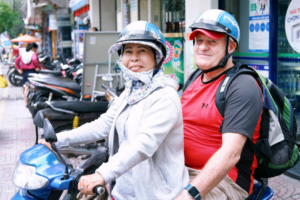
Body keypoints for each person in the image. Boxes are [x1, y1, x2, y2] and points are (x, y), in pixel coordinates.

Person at [40, 21, 189, 200]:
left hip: (156, 195)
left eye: (142, 50)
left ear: (157, 57)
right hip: (121, 192)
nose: (134, 57)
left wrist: (102, 174)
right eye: (128, 51)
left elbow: (143, 145)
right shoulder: (131, 92)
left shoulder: (164, 97)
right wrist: (58, 140)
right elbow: (102, 125)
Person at [175, 9, 263, 200]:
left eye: (212, 41)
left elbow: (230, 154)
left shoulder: (242, 86)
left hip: (225, 181)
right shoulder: (194, 77)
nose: (202, 47)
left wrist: (189, 194)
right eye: (199, 41)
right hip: (180, 170)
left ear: (231, 46)